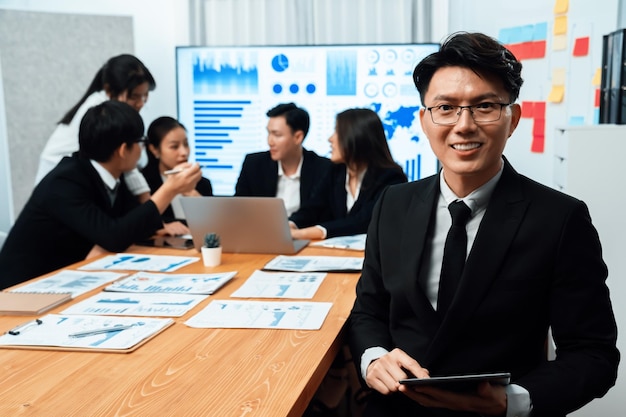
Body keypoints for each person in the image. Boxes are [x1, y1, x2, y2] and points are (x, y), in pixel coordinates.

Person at [348, 32, 619, 417]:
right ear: (424, 120)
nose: (464, 125)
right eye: (445, 108)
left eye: (485, 106)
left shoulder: (560, 219)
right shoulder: (394, 203)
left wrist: (514, 401)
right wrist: (374, 358)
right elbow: (368, 309)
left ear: (513, 120)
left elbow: (594, 354)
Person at [0, 101, 201, 289]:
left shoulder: (112, 177)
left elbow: (131, 222)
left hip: (68, 280)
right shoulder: (65, 182)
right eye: (140, 143)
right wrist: (170, 190)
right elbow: (113, 237)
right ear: (124, 149)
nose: (141, 151)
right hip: (22, 289)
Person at [34, 54, 156, 202]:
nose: (140, 103)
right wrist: (150, 206)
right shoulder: (99, 113)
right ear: (110, 91)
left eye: (145, 96)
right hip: (59, 189)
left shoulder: (113, 110)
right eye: (134, 97)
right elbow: (129, 163)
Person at [289, 108, 407, 240]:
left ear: (356, 137)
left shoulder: (390, 178)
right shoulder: (335, 171)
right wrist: (291, 224)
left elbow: (362, 222)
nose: (330, 139)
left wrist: (305, 233)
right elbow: (313, 208)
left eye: (337, 132)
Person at [234, 102, 332, 215]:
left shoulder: (323, 169)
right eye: (269, 133)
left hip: (303, 232)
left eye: (277, 135)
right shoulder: (254, 164)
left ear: (298, 137)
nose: (270, 141)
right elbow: (238, 210)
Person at [141, 116, 213, 236]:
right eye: (174, 147)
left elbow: (216, 225)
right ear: (154, 149)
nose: (184, 152)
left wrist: (197, 198)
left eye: (186, 144)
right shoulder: (144, 183)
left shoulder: (202, 183)